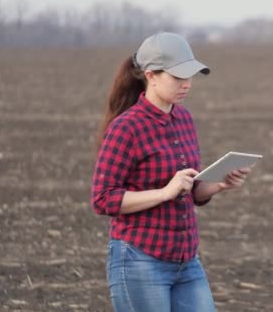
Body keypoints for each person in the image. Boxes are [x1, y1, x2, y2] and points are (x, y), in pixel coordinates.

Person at [90, 32, 251, 311]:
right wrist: (165, 192)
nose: (187, 85)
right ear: (151, 76)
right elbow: (103, 199)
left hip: (187, 261)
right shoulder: (126, 128)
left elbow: (190, 190)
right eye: (178, 78)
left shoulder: (184, 119)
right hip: (140, 260)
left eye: (190, 77)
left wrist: (219, 184)